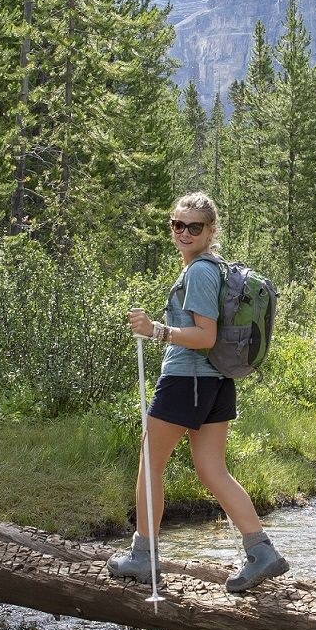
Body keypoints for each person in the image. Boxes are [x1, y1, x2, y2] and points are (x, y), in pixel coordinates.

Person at [109, 192, 290, 594]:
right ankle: (261, 552)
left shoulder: (200, 273)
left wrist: (156, 330)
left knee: (150, 462)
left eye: (195, 226)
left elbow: (204, 336)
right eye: (179, 225)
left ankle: (143, 555)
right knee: (212, 470)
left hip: (188, 379)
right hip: (216, 382)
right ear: (171, 227)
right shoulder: (213, 270)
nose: (185, 232)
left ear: (211, 231)